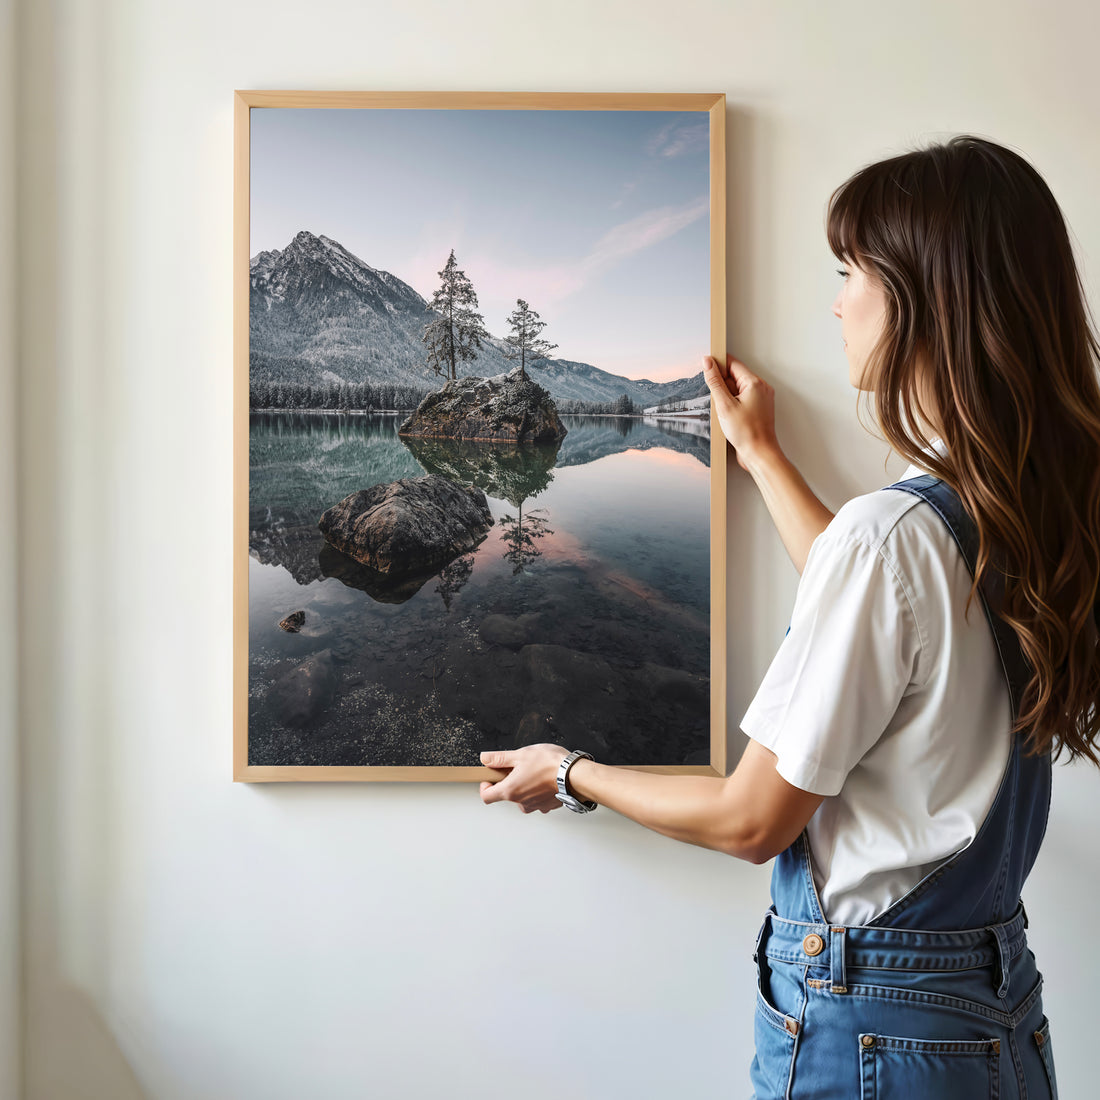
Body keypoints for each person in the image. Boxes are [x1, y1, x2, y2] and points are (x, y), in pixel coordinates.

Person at [477, 134, 1100, 1098]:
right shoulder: (1018, 510)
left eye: (852, 271)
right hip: (988, 1013)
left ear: (925, 298)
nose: (838, 299)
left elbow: (750, 819)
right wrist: (762, 454)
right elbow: (888, 623)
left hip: (874, 1029)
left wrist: (568, 771)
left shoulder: (895, 536)